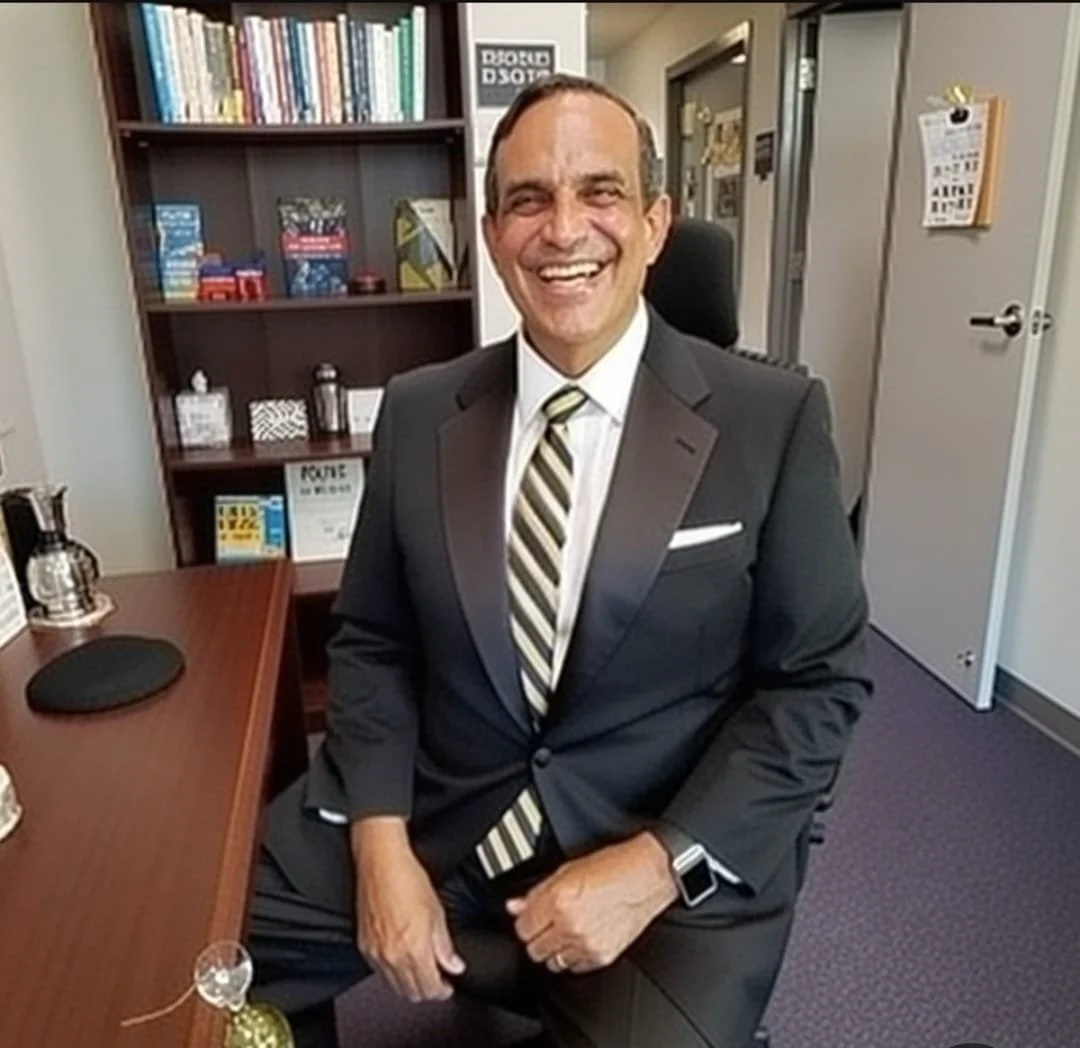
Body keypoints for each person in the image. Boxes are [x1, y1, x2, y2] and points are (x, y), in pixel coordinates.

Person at [246, 73, 873, 1048]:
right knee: (204, 950)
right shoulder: (419, 411)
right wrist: (378, 840)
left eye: (602, 192)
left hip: (654, 844)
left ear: (657, 223)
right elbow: (371, 638)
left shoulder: (773, 419)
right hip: (439, 805)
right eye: (529, 200)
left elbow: (817, 685)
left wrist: (661, 864)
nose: (565, 228)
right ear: (493, 234)